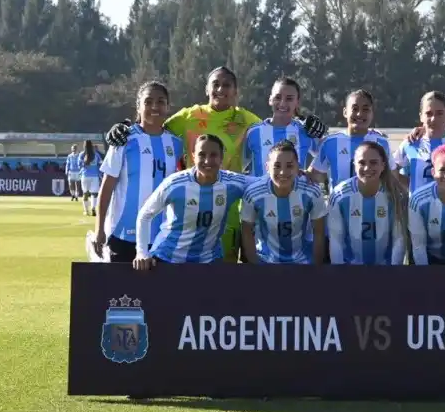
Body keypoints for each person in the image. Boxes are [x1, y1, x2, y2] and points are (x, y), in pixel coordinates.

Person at [104, 67, 330, 263]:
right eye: (216, 85)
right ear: (207, 89)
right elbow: (153, 126)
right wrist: (124, 126)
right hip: (188, 204)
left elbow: (279, 128)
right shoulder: (189, 116)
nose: (221, 90)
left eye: (227, 85)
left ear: (235, 92)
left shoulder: (247, 121)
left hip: (230, 205)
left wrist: (307, 127)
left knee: (223, 273)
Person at [92, 82, 184, 263]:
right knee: (122, 291)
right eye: (148, 102)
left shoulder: (176, 144)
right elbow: (107, 186)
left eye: (160, 101)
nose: (154, 107)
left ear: (168, 106)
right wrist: (99, 228)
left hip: (161, 237)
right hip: (123, 235)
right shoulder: (123, 140)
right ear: (138, 106)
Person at [132, 134, 254, 270]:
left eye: (213, 155)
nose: (207, 161)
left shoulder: (232, 183)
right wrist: (142, 252)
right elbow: (145, 215)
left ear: (221, 158)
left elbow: (265, 182)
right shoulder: (174, 183)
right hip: (168, 258)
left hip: (209, 260)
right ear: (193, 156)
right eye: (202, 155)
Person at [240, 141, 328, 264]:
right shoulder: (254, 193)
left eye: (289, 166)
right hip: (265, 261)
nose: (282, 172)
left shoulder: (311, 191)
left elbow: (319, 232)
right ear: (267, 167)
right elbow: (246, 232)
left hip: (302, 261)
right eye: (277, 166)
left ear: (298, 167)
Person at [327, 141, 407, 265]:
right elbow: (336, 240)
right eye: (361, 163)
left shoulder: (395, 195)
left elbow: (399, 239)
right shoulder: (340, 195)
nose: (367, 168)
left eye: (373, 163)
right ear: (354, 165)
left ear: (383, 165)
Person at [307, 89, 396, 190]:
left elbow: (393, 179)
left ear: (372, 113)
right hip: (339, 205)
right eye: (355, 109)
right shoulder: (330, 143)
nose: (359, 114)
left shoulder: (381, 143)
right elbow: (312, 176)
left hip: (375, 205)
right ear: (345, 112)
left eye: (365, 109)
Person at [243, 77, 320, 175]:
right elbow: (240, 164)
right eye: (278, 97)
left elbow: (327, 153)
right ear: (270, 99)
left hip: (295, 190)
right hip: (258, 190)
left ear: (297, 102)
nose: (282, 103)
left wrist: (310, 172)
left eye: (289, 99)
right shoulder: (253, 132)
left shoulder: (305, 131)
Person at [78, 140, 102, 216]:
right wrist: (100, 174)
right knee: (94, 194)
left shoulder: (82, 154)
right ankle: (93, 208)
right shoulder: (96, 154)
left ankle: (86, 211)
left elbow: (79, 165)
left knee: (85, 193)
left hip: (85, 176)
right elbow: (100, 164)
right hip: (94, 176)